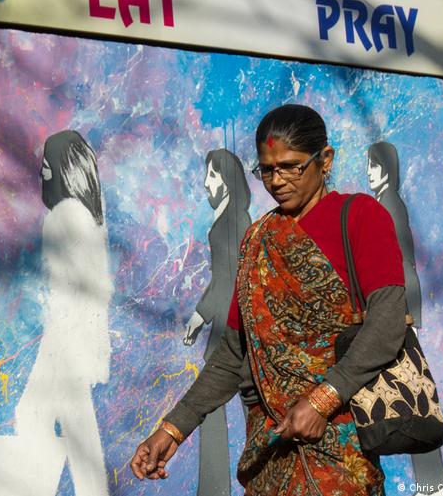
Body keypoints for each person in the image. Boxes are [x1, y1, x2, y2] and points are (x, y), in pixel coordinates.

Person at [131, 104, 409, 495]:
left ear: (324, 159)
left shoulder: (361, 217)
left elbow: (386, 325)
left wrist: (323, 400)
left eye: (291, 166)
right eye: (266, 169)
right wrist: (173, 428)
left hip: (341, 450)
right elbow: (233, 355)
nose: (277, 180)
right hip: (268, 452)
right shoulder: (256, 240)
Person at [0, 130, 113, 496]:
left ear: (61, 171)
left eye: (47, 167)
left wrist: (53, 351)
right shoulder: (90, 216)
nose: (41, 174)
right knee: (77, 433)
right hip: (80, 341)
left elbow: (66, 295)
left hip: (65, 342)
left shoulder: (63, 217)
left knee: (38, 418)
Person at [367, 142, 443, 496]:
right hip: (399, 301)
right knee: (407, 389)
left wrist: (395, 310)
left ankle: (432, 482)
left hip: (397, 303)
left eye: (373, 167)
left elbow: (398, 261)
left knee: (409, 390)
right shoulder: (389, 203)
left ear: (385, 170)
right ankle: (431, 481)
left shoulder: (388, 205)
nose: (368, 173)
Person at [182, 149, 252, 496]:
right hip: (228, 324)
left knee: (214, 405)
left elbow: (231, 281)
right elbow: (222, 278)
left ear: (226, 180)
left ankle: (214, 489)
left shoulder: (235, 222)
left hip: (233, 329)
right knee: (234, 405)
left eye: (212, 175)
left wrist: (202, 314)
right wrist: (201, 314)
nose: (206, 182)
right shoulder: (229, 219)